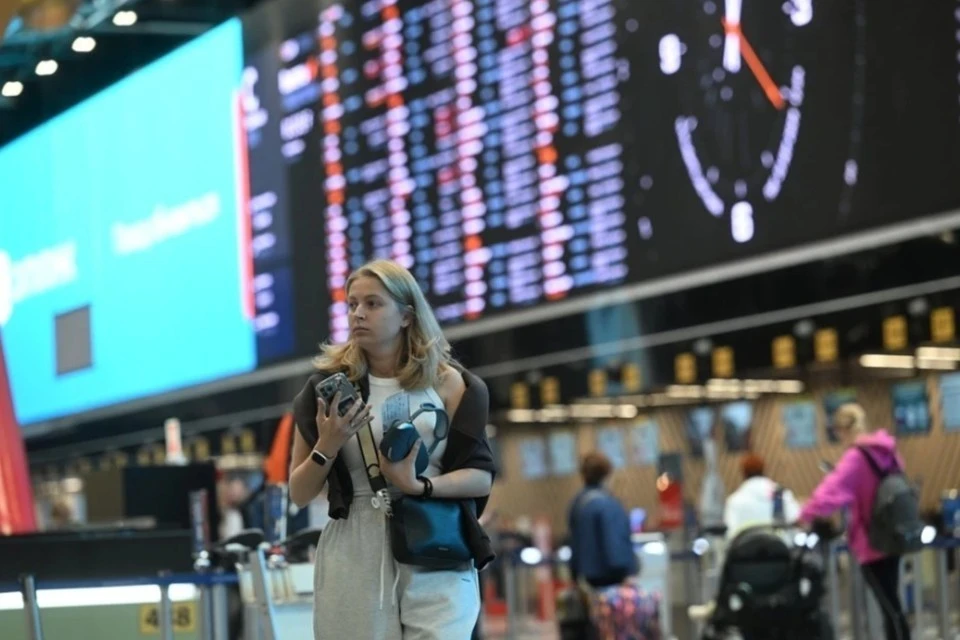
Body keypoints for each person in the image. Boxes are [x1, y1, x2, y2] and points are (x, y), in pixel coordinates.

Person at [288, 259, 496, 640]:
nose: (358, 314)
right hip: (355, 544)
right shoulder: (323, 390)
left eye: (373, 303)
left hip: (434, 536)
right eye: (352, 304)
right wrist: (327, 445)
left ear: (406, 316)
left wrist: (420, 486)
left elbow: (480, 476)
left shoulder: (449, 384)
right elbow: (299, 493)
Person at [798, 403, 910, 640]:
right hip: (893, 532)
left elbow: (831, 490)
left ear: (842, 430)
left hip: (873, 539)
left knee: (890, 607)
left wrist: (804, 514)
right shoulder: (885, 451)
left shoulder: (856, 457)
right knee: (892, 604)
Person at [568, 452, 659, 640]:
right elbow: (615, 546)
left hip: (588, 584)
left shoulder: (577, 504)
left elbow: (574, 545)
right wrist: (628, 571)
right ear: (607, 474)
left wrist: (575, 576)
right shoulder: (609, 505)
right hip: (612, 586)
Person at [723, 453, 801, 539]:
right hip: (779, 545)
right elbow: (796, 521)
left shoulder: (734, 500)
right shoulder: (781, 495)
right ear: (763, 469)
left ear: (744, 472)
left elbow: (730, 533)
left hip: (747, 546)